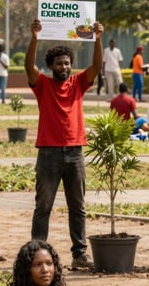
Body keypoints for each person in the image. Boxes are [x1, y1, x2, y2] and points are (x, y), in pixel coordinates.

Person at [25, 18, 103, 270]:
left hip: (75, 152)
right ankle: (36, 251)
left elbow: (97, 66)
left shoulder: (79, 83)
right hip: (48, 153)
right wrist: (34, 37)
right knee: (43, 205)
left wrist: (98, 39)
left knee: (77, 206)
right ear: (51, 66)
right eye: (59, 63)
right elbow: (28, 66)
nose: (64, 66)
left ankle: (80, 254)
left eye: (67, 62)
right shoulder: (43, 85)